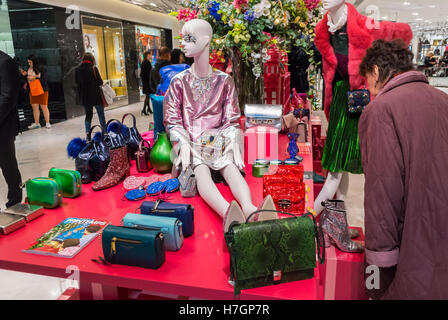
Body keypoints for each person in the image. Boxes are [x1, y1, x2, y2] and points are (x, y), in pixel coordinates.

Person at [358, 39, 448, 300]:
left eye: (368, 81)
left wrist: (375, 275)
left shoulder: (381, 111)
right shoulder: (443, 101)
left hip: (412, 245)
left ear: (376, 71)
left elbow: (382, 195)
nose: (369, 90)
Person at [0, 50, 23, 208]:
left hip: (3, 126)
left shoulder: (5, 62)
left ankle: (15, 204)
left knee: (8, 166)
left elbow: (9, 95)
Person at [75, 53, 107, 134]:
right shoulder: (93, 68)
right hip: (95, 96)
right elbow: (100, 82)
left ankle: (87, 133)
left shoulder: (77, 69)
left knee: (88, 115)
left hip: (85, 97)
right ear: (92, 59)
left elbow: (76, 82)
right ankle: (105, 133)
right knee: (101, 114)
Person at [20, 55, 51, 129]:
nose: (29, 64)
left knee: (44, 106)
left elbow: (44, 79)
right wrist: (25, 75)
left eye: (30, 62)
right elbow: (29, 78)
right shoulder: (29, 69)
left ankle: (47, 122)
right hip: (33, 90)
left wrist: (33, 77)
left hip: (42, 89)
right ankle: (37, 123)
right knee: (34, 107)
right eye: (28, 62)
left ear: (34, 61)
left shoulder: (41, 68)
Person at [140, 50, 153, 116]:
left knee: (148, 96)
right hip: (147, 82)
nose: (151, 56)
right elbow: (148, 73)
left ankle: (149, 109)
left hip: (145, 82)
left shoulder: (144, 62)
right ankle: (144, 109)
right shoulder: (147, 62)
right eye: (150, 54)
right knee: (147, 96)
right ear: (148, 55)